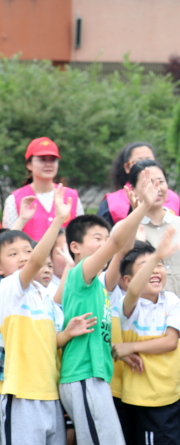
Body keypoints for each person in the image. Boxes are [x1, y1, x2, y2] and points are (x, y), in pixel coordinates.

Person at [58, 170, 159, 445]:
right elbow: (116, 242)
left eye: (105, 237)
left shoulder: (100, 283)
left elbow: (121, 249)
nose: (104, 243)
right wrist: (145, 208)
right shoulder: (81, 275)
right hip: (83, 375)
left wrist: (136, 211)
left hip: (95, 376)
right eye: (97, 239)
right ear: (75, 247)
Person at [0, 187, 89, 445]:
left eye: (28, 251)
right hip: (20, 394)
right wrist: (60, 219)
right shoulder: (8, 289)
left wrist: (67, 334)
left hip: (50, 393)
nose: (24, 258)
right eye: (14, 255)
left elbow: (51, 340)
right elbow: (36, 261)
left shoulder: (44, 296)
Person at [114, 234, 180, 445]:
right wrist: (155, 258)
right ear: (127, 281)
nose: (155, 270)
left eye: (160, 264)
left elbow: (170, 342)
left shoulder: (171, 301)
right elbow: (135, 290)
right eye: (146, 267)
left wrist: (130, 347)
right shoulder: (129, 308)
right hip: (149, 401)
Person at [127, 159, 180, 368]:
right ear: (132, 190)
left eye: (160, 181)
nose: (157, 188)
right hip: (146, 320)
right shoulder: (128, 230)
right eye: (148, 183)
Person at [4, 137, 84, 241]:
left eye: (53, 160)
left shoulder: (72, 196)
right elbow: (7, 242)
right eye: (42, 159)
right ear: (29, 164)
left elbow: (82, 236)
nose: (48, 164)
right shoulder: (14, 199)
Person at [99, 142, 180, 226]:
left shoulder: (172, 197)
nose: (145, 166)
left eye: (149, 160)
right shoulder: (112, 202)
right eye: (138, 161)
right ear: (127, 167)